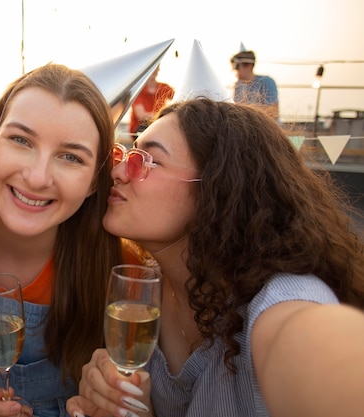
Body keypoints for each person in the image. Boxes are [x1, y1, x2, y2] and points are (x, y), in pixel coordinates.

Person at [67, 98, 364, 417]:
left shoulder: (280, 305)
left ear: (217, 189)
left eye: (146, 160)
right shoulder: (145, 285)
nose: (117, 170)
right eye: (126, 154)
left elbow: (320, 349)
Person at [0, 63, 147, 417]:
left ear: (94, 182)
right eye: (20, 140)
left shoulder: (124, 274)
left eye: (71, 157)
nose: (37, 176)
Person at [231, 50, 280, 121]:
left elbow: (273, 113)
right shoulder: (238, 85)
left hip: (267, 129)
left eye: (237, 66)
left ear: (249, 66)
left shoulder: (266, 82)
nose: (234, 70)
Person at [128, 66, 174, 135]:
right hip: (140, 126)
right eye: (153, 67)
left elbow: (179, 98)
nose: (154, 69)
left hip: (159, 124)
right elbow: (141, 116)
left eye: (156, 67)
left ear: (158, 69)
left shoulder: (164, 87)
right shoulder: (138, 89)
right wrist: (165, 115)